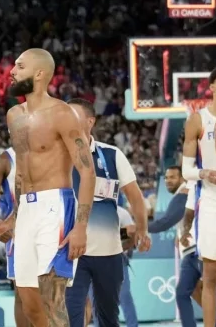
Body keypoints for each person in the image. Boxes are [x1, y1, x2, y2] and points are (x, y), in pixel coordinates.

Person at [0, 48, 96, 327]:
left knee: (51, 301)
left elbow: (87, 173)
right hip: (26, 211)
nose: (12, 71)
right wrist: (13, 218)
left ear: (39, 74)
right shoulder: (13, 115)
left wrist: (80, 227)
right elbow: (20, 173)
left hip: (55, 207)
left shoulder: (62, 113)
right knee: (30, 304)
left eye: (19, 66)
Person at [65, 98, 150, 327]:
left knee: (108, 319)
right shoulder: (58, 157)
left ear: (90, 121)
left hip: (109, 253)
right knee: (71, 318)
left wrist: (142, 230)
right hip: (71, 253)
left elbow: (135, 196)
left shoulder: (112, 155)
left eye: (73, 115)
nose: (66, 121)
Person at [181, 66, 216, 327]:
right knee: (211, 277)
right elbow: (186, 170)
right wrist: (204, 173)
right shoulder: (198, 120)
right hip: (212, 203)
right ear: (211, 88)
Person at [147, 166, 204, 326]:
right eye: (166, 178)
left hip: (197, 250)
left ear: (182, 178)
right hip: (192, 250)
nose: (167, 181)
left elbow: (164, 222)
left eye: (172, 177)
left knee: (205, 291)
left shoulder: (182, 195)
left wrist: (140, 227)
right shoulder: (189, 193)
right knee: (185, 292)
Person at [0, 147, 30, 327]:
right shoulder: (4, 160)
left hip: (51, 226)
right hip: (18, 233)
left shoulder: (50, 149)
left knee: (52, 292)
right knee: (22, 292)